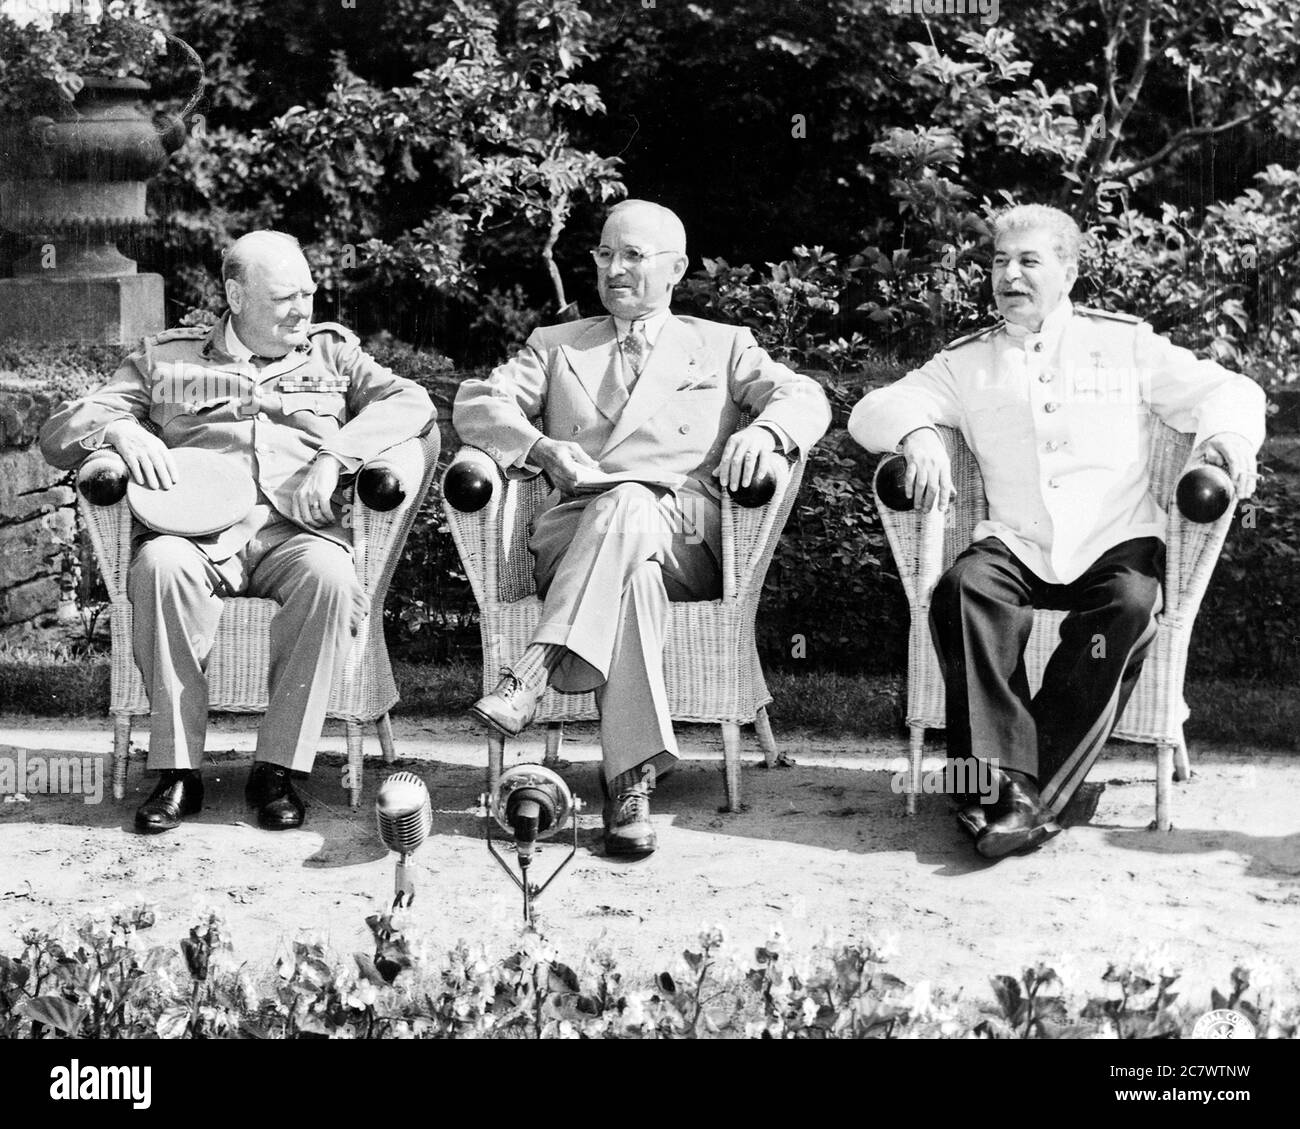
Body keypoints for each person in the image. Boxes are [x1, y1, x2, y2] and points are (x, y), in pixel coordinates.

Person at [848, 204, 1265, 860]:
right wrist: (918, 433)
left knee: (1129, 606)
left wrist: (1228, 438)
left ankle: (1016, 792)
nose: (1008, 275)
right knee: (963, 589)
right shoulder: (968, 362)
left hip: (1114, 540)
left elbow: (1231, 390)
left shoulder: (1123, 342)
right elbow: (873, 407)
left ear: (1068, 272)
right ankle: (1008, 787)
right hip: (1017, 541)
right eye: (998, 261)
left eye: (1028, 261)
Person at [453, 199, 830, 858]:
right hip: (575, 537)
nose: (615, 268)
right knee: (629, 551)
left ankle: (535, 673)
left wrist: (768, 432)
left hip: (685, 534)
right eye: (605, 254)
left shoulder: (722, 344)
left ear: (677, 267)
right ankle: (629, 782)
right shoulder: (557, 345)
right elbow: (476, 403)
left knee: (631, 505)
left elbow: (805, 396)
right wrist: (540, 449)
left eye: (634, 255)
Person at [40, 231, 436, 834]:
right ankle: (178, 773)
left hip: (295, 533)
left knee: (332, 577)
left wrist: (336, 453)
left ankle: (278, 769)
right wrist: (121, 431)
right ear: (234, 294)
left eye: (308, 293)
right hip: (197, 535)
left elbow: (413, 404)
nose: (302, 309)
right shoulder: (167, 361)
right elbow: (58, 432)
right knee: (158, 567)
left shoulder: (333, 357)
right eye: (284, 298)